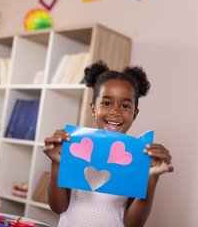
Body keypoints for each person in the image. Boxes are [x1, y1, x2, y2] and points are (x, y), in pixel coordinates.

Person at [43, 61, 174, 227]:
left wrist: (152, 178)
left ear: (135, 114)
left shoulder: (136, 158)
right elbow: (58, 207)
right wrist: (56, 163)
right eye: (106, 103)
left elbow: (133, 224)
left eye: (125, 105)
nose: (115, 111)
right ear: (93, 108)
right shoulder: (76, 148)